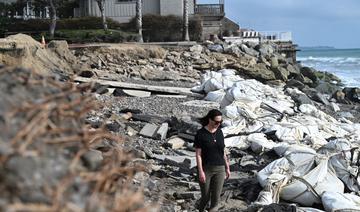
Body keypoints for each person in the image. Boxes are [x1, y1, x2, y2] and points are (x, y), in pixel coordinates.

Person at [194, 109, 230, 212]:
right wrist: (201, 172)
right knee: (205, 197)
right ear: (210, 120)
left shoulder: (220, 132)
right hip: (206, 169)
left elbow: (223, 151)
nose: (218, 124)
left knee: (216, 199)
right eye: (216, 122)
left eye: (220, 122)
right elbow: (198, 155)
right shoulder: (200, 134)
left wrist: (227, 167)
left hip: (220, 168)